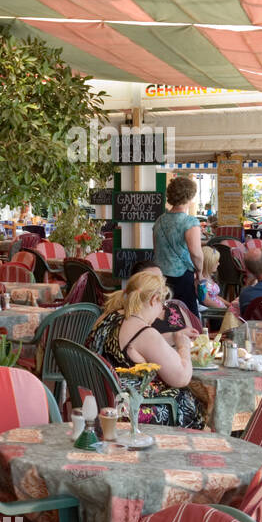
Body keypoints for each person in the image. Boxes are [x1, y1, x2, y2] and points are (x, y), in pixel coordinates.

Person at [88, 272, 203, 428]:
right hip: (135, 413)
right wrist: (183, 347)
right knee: (193, 400)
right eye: (162, 304)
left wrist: (174, 336)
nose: (162, 309)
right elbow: (182, 377)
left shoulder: (108, 318)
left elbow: (137, 345)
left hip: (102, 402)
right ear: (153, 300)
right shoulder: (144, 333)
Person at [152, 175, 203, 318]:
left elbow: (156, 251)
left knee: (165, 317)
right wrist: (200, 272)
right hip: (183, 278)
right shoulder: (190, 222)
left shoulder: (159, 221)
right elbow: (196, 254)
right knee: (187, 318)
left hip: (161, 278)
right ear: (189, 196)